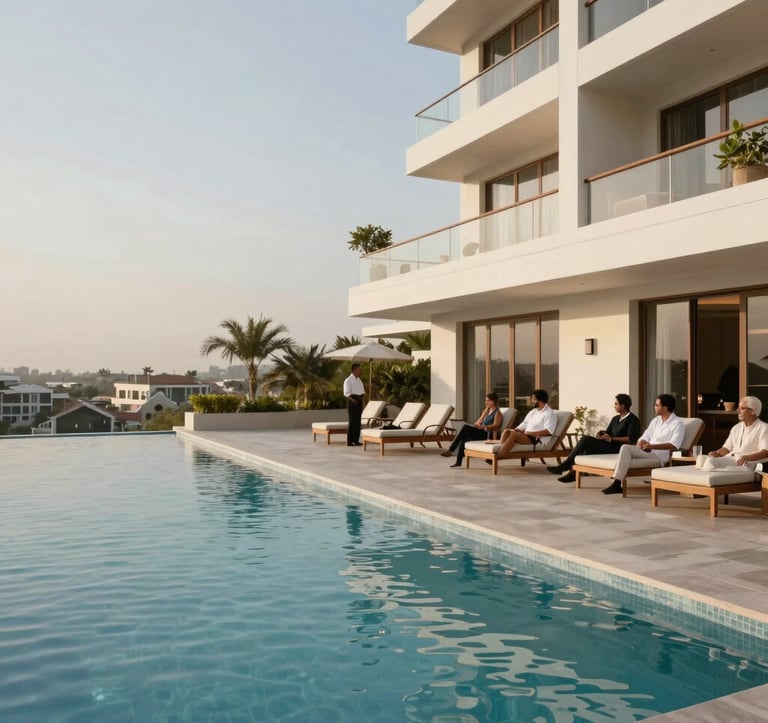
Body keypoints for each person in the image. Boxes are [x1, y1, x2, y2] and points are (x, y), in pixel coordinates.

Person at [547, 394, 641, 483]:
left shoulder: (633, 420)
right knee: (586, 446)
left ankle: (566, 466)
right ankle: (573, 472)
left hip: (619, 449)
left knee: (585, 439)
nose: (614, 406)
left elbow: (631, 439)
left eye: (616, 404)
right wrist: (602, 434)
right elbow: (608, 432)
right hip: (608, 445)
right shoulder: (615, 418)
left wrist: (612, 439)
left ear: (623, 405)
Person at [601, 393, 684, 495]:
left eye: (657, 405)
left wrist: (651, 446)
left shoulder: (677, 423)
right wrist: (641, 443)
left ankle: (617, 484)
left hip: (659, 457)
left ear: (665, 408)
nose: (654, 407)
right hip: (647, 451)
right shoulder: (656, 421)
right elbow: (645, 436)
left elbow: (674, 445)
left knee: (625, 450)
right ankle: (617, 484)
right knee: (625, 448)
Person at [488, 389, 557, 459]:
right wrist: (517, 429)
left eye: (534, 399)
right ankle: (498, 450)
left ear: (541, 400)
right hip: (526, 435)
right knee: (507, 431)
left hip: (536, 439)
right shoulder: (533, 412)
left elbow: (549, 431)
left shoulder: (549, 414)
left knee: (514, 435)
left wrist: (531, 433)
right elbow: (525, 423)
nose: (532, 401)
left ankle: (497, 457)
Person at [441, 392, 502, 468]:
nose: (486, 402)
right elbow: (477, 423)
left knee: (465, 427)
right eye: (485, 400)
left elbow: (496, 425)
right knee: (464, 438)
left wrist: (483, 427)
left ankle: (451, 450)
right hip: (481, 432)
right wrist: (481, 418)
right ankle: (458, 461)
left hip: (487, 434)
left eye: (488, 400)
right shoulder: (486, 411)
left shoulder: (497, 413)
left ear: (493, 401)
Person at [703, 396, 768, 466]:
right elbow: (727, 448)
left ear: (752, 411)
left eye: (742, 408)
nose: (738, 411)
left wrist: (748, 458)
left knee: (710, 463)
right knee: (703, 459)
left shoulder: (764, 428)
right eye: (738, 408)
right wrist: (717, 453)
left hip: (747, 464)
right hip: (731, 460)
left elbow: (766, 452)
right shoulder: (736, 428)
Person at [343, 363, 365, 446]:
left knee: (358, 422)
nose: (360, 371)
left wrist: (362, 401)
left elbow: (362, 392)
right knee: (352, 421)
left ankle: (356, 440)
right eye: (359, 369)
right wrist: (353, 400)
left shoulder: (359, 380)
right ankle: (349, 441)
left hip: (359, 401)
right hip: (352, 401)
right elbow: (346, 393)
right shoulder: (348, 380)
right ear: (354, 370)